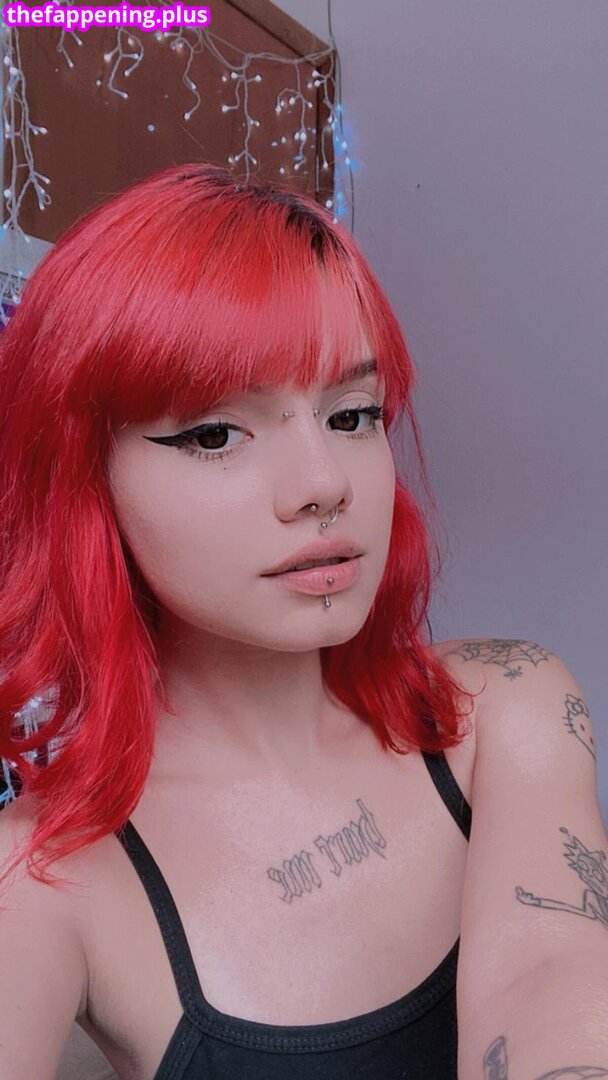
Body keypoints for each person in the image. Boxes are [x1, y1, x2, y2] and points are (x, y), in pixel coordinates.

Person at [0, 163, 483, 1079]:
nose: (324, 485)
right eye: (215, 434)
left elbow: (556, 997)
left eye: (353, 415)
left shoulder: (499, 710)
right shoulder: (43, 876)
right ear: (82, 478)